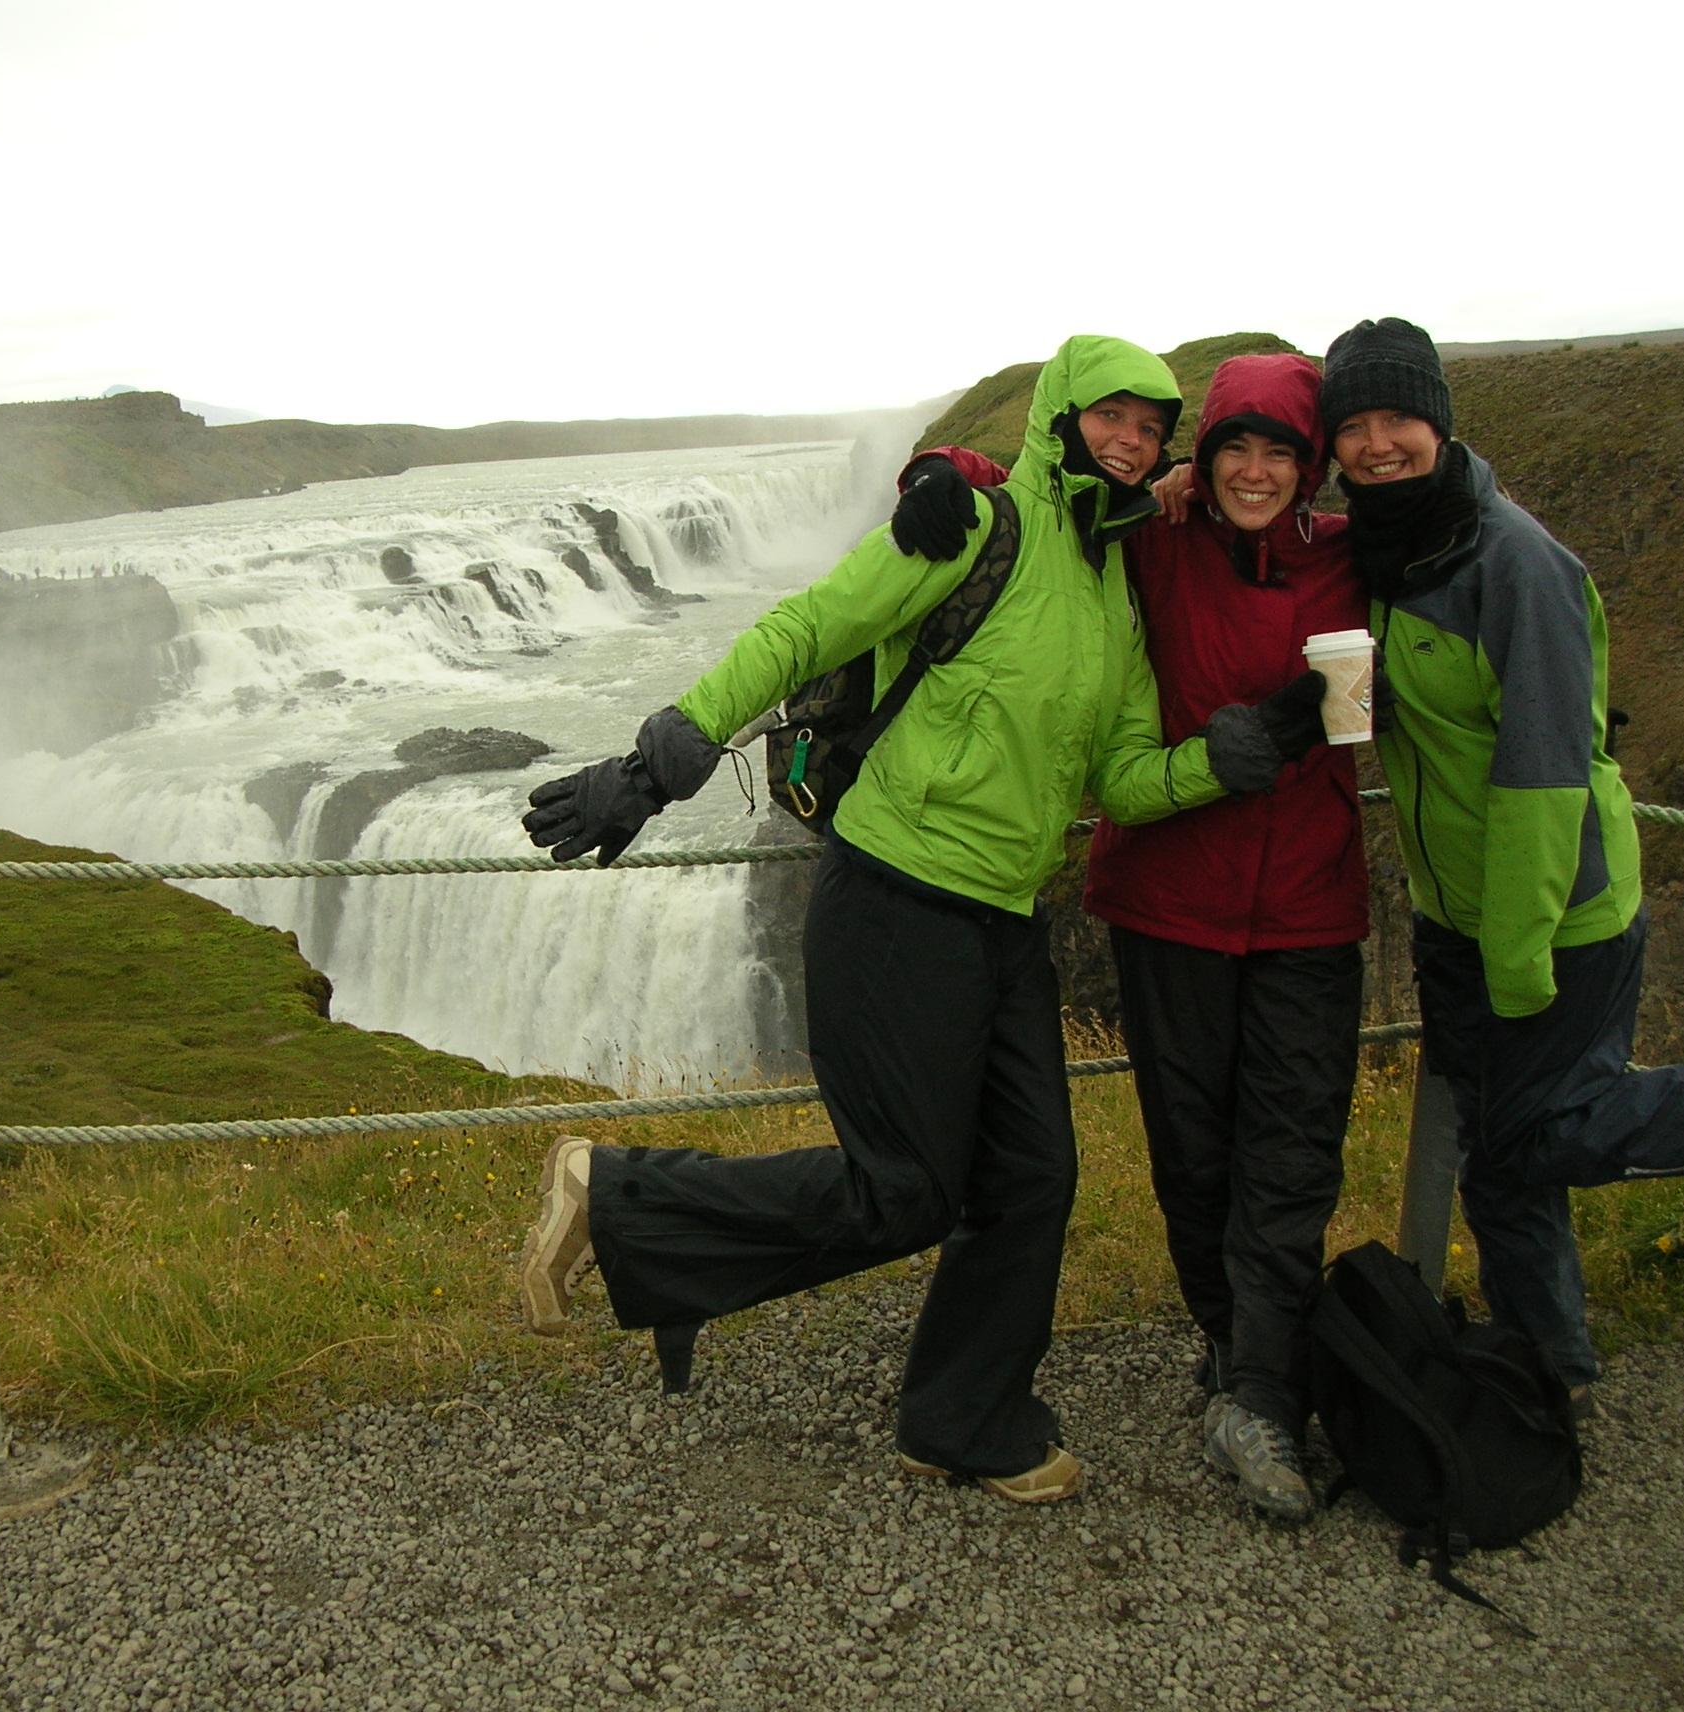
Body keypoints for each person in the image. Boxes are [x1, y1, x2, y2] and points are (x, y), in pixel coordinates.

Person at [514, 335, 1326, 1505]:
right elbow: (811, 626)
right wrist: (659, 760)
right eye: (1109, 416)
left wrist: (1235, 755)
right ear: (1059, 417)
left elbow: (1126, 777)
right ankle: (617, 1189)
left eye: (1151, 427)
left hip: (1001, 916)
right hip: (894, 896)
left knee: (1034, 1177)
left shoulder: (1114, 590)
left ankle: (962, 1416)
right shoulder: (973, 525)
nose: (1130, 441)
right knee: (902, 1187)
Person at [1319, 317, 1684, 1412]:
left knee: (1542, 1129)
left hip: (1560, 915)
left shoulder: (1514, 560)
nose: (1374, 444)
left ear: (1440, 423)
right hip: (1457, 914)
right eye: (1351, 425)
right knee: (1506, 1168)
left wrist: (1513, 954)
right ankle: (1545, 1369)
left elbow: (1543, 774)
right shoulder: (1391, 543)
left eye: (1396, 419)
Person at [912, 354, 1366, 1522]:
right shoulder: (1148, 544)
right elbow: (1025, 496)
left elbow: (1456, 515)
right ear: (1199, 461)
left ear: (1307, 466)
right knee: (1194, 1150)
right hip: (1168, 901)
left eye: (1279, 451)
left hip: (1310, 902)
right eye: (1234, 448)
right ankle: (1232, 1348)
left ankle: (1258, 1389)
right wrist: (935, 464)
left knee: (1294, 1146)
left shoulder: (1347, 560)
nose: (1256, 471)